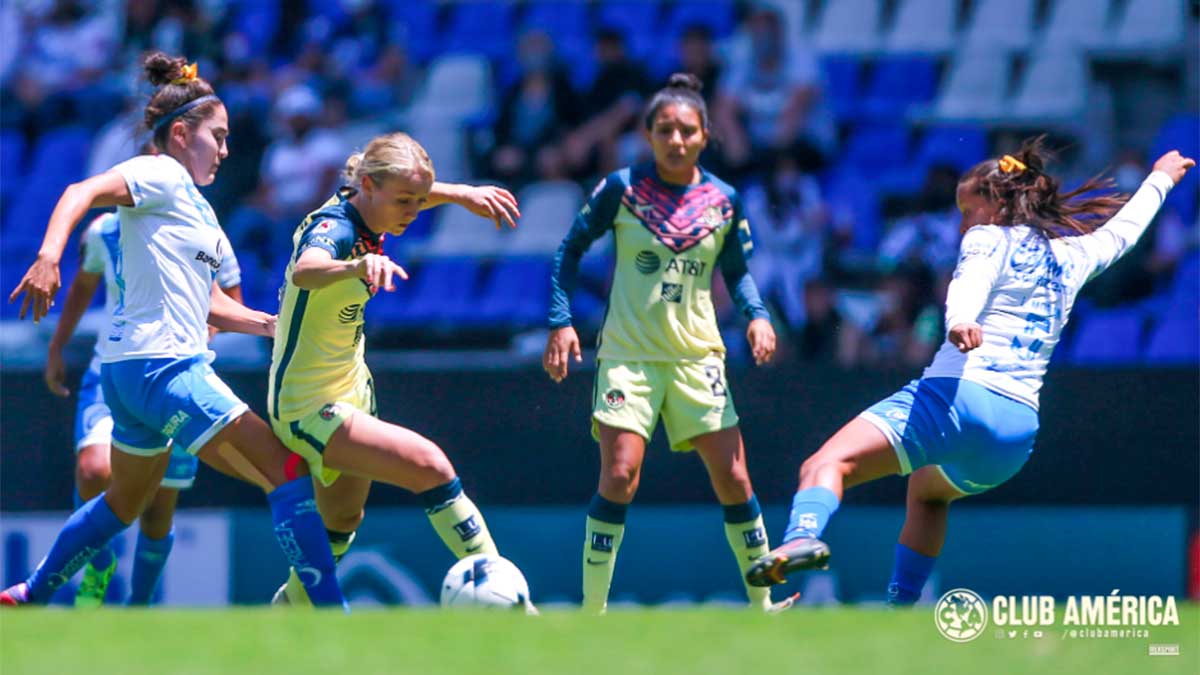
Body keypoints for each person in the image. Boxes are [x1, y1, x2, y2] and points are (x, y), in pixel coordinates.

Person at [745, 140, 1195, 602]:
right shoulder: (1075, 255)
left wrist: (961, 319)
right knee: (927, 492)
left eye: (967, 210)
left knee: (824, 464)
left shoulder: (987, 237)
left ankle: (802, 535)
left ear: (997, 207)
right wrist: (1161, 177)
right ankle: (901, 606)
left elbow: (970, 282)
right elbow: (1126, 231)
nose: (962, 224)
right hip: (1014, 434)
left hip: (959, 398)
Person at [2, 52, 346, 608]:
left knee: (121, 504)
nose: (227, 150)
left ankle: (27, 592)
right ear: (182, 133)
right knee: (286, 470)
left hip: (132, 374)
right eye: (220, 136)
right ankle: (335, 614)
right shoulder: (161, 172)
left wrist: (275, 326)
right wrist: (48, 256)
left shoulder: (198, 212)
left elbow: (212, 306)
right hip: (165, 367)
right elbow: (78, 194)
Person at [543, 73, 788, 613]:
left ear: (706, 135)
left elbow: (738, 270)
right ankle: (592, 614)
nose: (676, 140)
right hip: (629, 356)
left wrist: (757, 315)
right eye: (664, 130)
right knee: (620, 474)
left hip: (697, 355)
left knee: (734, 476)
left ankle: (764, 605)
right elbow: (568, 252)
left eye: (686, 130)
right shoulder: (621, 189)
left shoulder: (724, 200)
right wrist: (561, 321)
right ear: (647, 134)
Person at [266, 132, 523, 605]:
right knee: (431, 466)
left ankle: (288, 609)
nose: (413, 210)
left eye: (419, 201)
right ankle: (508, 596)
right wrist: (357, 267)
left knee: (343, 519)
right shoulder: (336, 228)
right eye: (406, 202)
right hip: (307, 404)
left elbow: (402, 191)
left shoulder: (373, 203)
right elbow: (306, 269)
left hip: (352, 390)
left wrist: (460, 194)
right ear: (366, 185)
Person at [44, 207, 243, 606]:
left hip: (176, 380)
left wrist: (202, 333)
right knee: (93, 470)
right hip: (114, 369)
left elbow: (230, 298)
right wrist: (57, 346)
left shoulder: (204, 230)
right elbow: (84, 286)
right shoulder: (105, 231)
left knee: (157, 510)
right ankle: (99, 564)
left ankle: (140, 607)